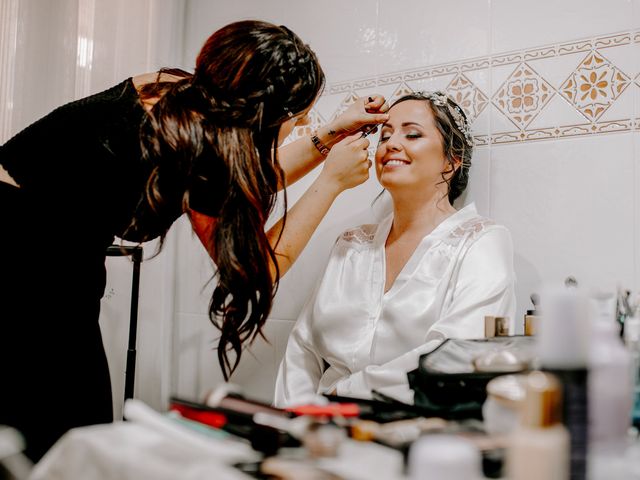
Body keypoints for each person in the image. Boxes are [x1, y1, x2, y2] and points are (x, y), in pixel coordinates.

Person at [0, 20, 389, 461]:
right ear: (261, 117)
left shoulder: (180, 95)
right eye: (293, 120)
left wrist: (331, 134)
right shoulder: (201, 147)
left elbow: (239, 179)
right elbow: (257, 266)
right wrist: (330, 183)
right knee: (61, 436)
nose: (295, 128)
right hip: (25, 269)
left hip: (25, 240)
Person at [274, 91, 517, 407]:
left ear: (452, 160)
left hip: (419, 433)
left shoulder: (481, 242)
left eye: (412, 134)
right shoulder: (352, 245)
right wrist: (296, 419)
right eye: (384, 136)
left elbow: (458, 355)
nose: (390, 144)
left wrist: (341, 396)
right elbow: (302, 348)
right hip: (322, 433)